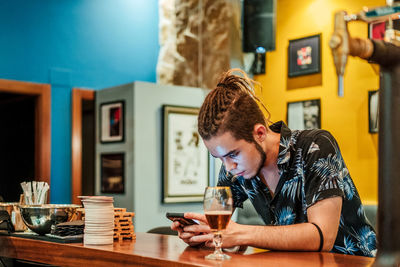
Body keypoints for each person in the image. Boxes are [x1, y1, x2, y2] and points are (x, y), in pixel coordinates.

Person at [171, 68, 377, 257]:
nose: (228, 167)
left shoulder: (316, 146)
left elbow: (322, 236)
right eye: (220, 158)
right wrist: (199, 235)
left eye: (233, 154)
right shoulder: (234, 170)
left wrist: (241, 233)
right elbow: (223, 235)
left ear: (260, 133)